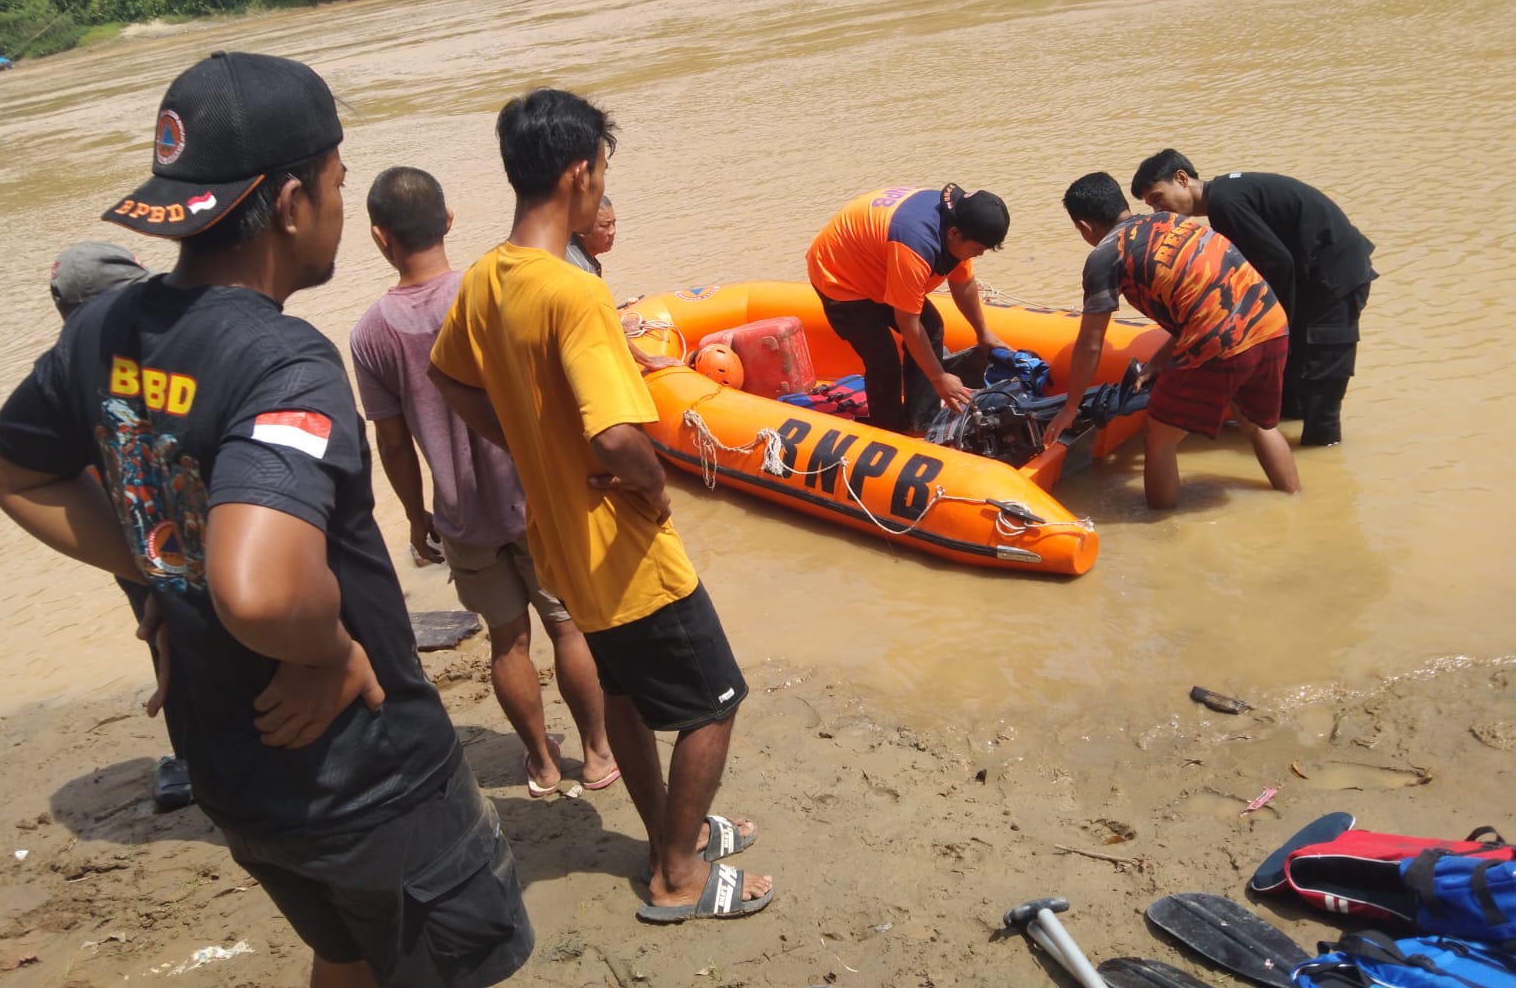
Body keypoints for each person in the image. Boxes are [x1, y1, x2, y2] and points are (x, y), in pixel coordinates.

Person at [0, 52, 533, 988]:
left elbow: (13, 471)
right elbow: (266, 588)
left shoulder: (99, 332)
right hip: (366, 776)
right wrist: (324, 649)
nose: (337, 205)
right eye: (334, 182)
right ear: (286, 203)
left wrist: (167, 571)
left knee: (345, 953)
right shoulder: (285, 362)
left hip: (228, 770)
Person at [429, 88, 774, 924]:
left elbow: (449, 378)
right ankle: (677, 876)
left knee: (622, 698)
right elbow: (620, 436)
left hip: (560, 545)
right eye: (603, 172)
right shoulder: (572, 292)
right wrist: (652, 486)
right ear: (580, 173)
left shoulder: (486, 277)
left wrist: (529, 440)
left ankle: (667, 835)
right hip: (622, 547)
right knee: (714, 704)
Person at [351, 166, 618, 799]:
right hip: (536, 495)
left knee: (507, 641)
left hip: (460, 513)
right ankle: (600, 754)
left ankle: (543, 764)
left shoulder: (370, 334)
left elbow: (391, 440)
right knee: (568, 627)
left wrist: (417, 518)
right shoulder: (490, 291)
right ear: (448, 221)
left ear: (378, 237)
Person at [1043, 172, 1301, 510]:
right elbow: (1198, 300)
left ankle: (1161, 529)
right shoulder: (1173, 222)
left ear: (1083, 227)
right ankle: (1296, 503)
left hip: (1219, 341)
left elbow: (1091, 343)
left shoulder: (1107, 254)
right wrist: (1158, 362)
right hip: (1270, 323)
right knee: (1257, 425)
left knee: (1159, 436)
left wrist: (1070, 408)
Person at [50, 241, 193, 812]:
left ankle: (194, 759)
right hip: (149, 536)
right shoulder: (84, 375)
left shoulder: (71, 372)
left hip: (141, 538)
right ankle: (199, 757)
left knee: (173, 644)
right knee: (174, 642)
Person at [1129, 150, 1376, 447]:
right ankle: (1291, 432)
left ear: (1182, 178)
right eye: (1150, 205)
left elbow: (1277, 264)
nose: (1158, 210)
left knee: (1321, 374)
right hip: (1313, 275)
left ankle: (1323, 454)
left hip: (1333, 276)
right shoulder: (1227, 195)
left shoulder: (1225, 203)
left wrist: (1275, 323)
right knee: (1295, 368)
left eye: (1157, 197)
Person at [806, 183, 1011, 432]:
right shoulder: (915, 246)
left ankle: (921, 421)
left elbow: (963, 284)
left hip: (879, 264)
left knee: (932, 327)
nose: (978, 255)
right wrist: (939, 377)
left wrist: (983, 332)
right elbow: (908, 323)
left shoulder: (959, 223)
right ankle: (888, 430)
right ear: (955, 233)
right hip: (841, 276)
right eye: (977, 250)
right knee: (884, 360)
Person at [564, 194, 614, 275]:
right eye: (605, 225)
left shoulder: (560, 245)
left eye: (614, 223)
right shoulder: (582, 271)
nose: (612, 231)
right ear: (581, 229)